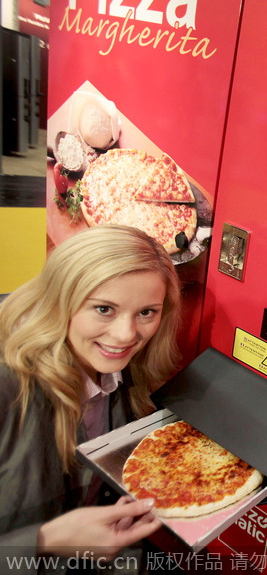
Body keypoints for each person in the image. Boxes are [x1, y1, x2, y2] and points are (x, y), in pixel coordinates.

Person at [0, 224, 183, 571]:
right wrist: (44, 541)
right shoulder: (7, 383)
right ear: (60, 298)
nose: (126, 335)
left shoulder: (131, 370)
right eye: (104, 309)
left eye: (146, 312)